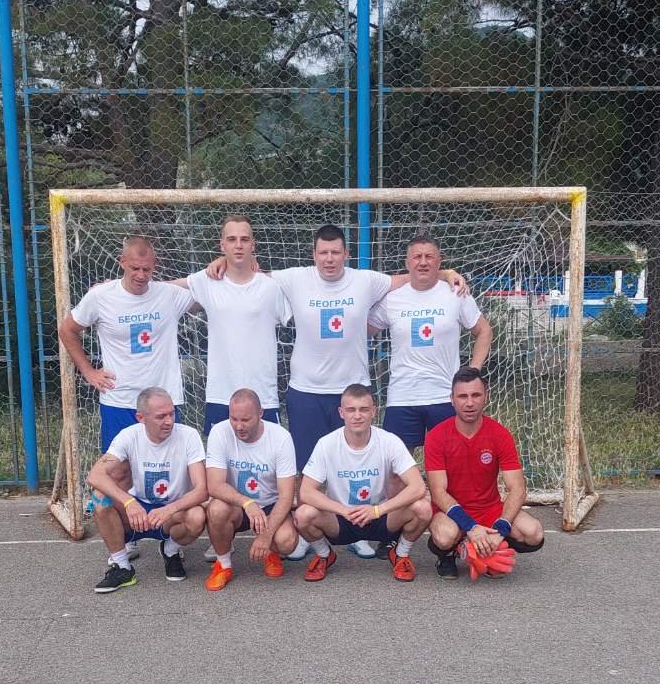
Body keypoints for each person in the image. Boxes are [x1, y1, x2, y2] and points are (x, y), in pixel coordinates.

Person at [207, 220, 463, 559]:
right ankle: (305, 532)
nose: (329, 259)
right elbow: (250, 272)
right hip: (306, 390)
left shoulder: (365, 280)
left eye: (335, 253)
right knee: (305, 468)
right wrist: (223, 261)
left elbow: (409, 277)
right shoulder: (294, 278)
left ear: (346, 254)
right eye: (323, 253)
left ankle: (359, 530)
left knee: (355, 464)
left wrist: (446, 273)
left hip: (352, 391)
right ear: (313, 255)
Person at [58, 234, 196, 452]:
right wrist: (88, 371)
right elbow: (67, 330)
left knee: (165, 462)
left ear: (155, 265)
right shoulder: (101, 296)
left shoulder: (169, 295)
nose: (141, 275)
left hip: (163, 401)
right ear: (122, 262)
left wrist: (228, 264)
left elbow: (210, 291)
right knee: (117, 465)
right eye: (135, 268)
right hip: (119, 399)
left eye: (146, 269)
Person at [295, 383, 432, 582]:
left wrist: (377, 510)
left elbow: (418, 486)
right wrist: (343, 510)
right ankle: (324, 555)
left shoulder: (389, 441)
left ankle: (400, 554)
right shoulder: (327, 444)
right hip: (341, 518)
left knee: (423, 509)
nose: (357, 415)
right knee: (303, 514)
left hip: (379, 515)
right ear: (341, 412)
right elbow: (306, 492)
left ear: (374, 412)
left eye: (364, 409)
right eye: (351, 410)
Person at [369, 234, 493, 453]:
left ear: (439, 261)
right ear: (407, 262)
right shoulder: (393, 298)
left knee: (453, 463)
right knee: (396, 466)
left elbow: (484, 331)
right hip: (402, 397)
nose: (423, 262)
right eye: (417, 257)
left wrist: (473, 371)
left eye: (429, 256)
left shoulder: (456, 293)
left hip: (445, 396)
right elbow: (362, 330)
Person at [424, 366, 544, 581]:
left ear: (485, 397)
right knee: (444, 537)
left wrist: (500, 529)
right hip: (450, 512)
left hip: (489, 509)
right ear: (452, 399)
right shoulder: (436, 436)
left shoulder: (500, 434)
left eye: (476, 395)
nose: (469, 403)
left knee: (533, 533)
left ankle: (486, 547)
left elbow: (517, 488)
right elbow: (438, 492)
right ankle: (453, 552)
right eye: (462, 396)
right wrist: (470, 527)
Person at [177, 217, 291, 436]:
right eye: (231, 239)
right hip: (221, 396)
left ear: (253, 245)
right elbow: (163, 291)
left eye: (244, 239)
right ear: (222, 245)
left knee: (268, 456)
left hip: (263, 397)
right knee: (219, 457)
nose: (238, 245)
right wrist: (117, 287)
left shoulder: (272, 287)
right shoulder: (207, 282)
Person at [87, 387, 207, 592]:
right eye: (161, 416)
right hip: (138, 510)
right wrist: (129, 502)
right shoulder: (129, 435)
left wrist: (169, 509)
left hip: (172, 513)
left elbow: (202, 490)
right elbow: (95, 476)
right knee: (100, 497)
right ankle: (122, 567)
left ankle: (170, 550)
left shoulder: (189, 436)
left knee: (197, 516)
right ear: (141, 418)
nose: (169, 421)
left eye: (171, 414)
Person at [203, 389, 298, 591]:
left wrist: (266, 536)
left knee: (287, 541)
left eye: (245, 420)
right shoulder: (219, 432)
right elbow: (214, 485)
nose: (239, 426)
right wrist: (247, 503)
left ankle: (271, 552)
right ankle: (223, 564)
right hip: (237, 506)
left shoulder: (281, 437)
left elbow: (287, 496)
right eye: (234, 419)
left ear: (260, 413)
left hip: (270, 506)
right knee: (216, 509)